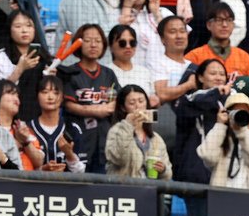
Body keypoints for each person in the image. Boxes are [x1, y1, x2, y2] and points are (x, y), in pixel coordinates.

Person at [61, 24, 120, 174]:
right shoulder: (71, 72)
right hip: (79, 136)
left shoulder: (108, 74)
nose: (93, 45)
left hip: (104, 138)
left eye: (98, 41)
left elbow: (116, 100)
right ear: (79, 43)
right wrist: (96, 110)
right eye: (88, 40)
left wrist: (106, 109)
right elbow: (68, 105)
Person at [198, 90, 249, 190]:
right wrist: (220, 125)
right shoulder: (219, 139)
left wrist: (242, 132)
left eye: (244, 113)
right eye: (236, 112)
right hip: (222, 198)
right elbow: (208, 156)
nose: (239, 116)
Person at [0, 10, 49, 122]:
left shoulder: (44, 56)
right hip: (12, 117)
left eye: (29, 25)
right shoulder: (3, 56)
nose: (24, 30)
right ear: (9, 30)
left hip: (39, 116)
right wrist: (20, 69)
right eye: (18, 26)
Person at [105, 84, 171, 179]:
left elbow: (168, 174)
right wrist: (127, 125)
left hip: (149, 191)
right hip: (123, 190)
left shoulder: (156, 138)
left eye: (141, 101)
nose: (138, 106)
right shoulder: (116, 131)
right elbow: (119, 158)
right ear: (123, 107)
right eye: (132, 103)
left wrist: (163, 170)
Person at [26, 75, 85, 173]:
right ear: (37, 96)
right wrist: (43, 170)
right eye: (45, 92)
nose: (50, 97)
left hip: (66, 187)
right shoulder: (27, 129)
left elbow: (82, 171)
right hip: (36, 186)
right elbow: (23, 168)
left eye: (56, 93)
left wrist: (69, 154)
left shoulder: (72, 128)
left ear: (62, 97)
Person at [185, 2, 249, 79]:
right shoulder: (194, 57)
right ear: (209, 25)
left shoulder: (244, 58)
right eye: (219, 20)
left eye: (229, 20)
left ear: (233, 25)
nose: (224, 25)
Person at [108, 25, 156, 105]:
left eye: (132, 43)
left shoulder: (144, 72)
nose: (128, 46)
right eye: (122, 43)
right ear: (111, 47)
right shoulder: (105, 72)